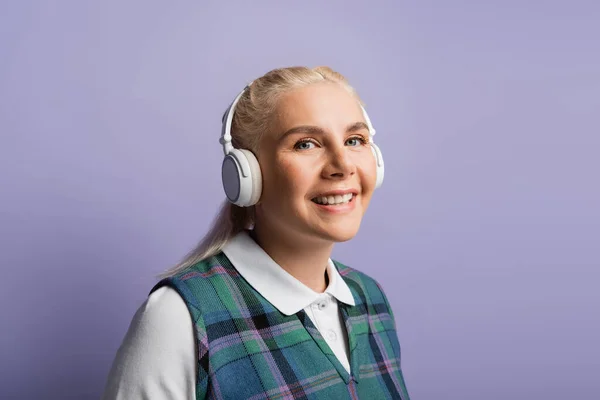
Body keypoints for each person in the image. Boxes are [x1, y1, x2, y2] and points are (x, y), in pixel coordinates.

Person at [102, 66, 410, 399]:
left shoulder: (370, 299)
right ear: (247, 175)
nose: (343, 165)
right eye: (306, 144)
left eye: (354, 140)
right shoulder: (180, 317)